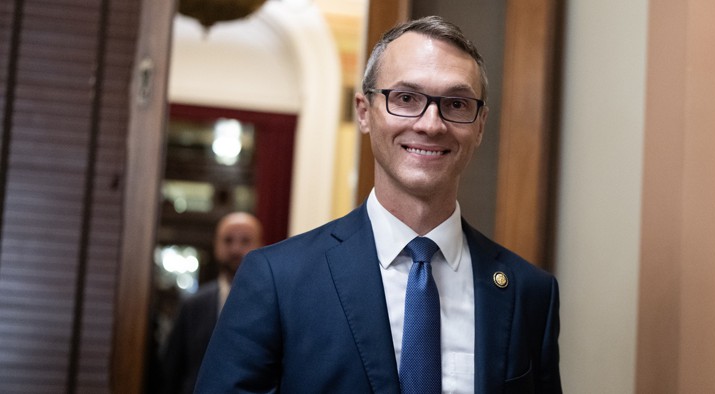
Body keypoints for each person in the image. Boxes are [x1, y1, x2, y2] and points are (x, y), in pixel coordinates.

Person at [195, 16, 561, 393]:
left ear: (480, 125)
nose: (431, 124)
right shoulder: (277, 279)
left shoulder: (530, 293)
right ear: (364, 112)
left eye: (456, 104)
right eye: (406, 98)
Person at [160, 212, 264, 394]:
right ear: (216, 245)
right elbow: (171, 373)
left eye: (245, 241)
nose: (235, 249)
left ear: (261, 246)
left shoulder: (273, 304)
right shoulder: (192, 305)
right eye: (228, 240)